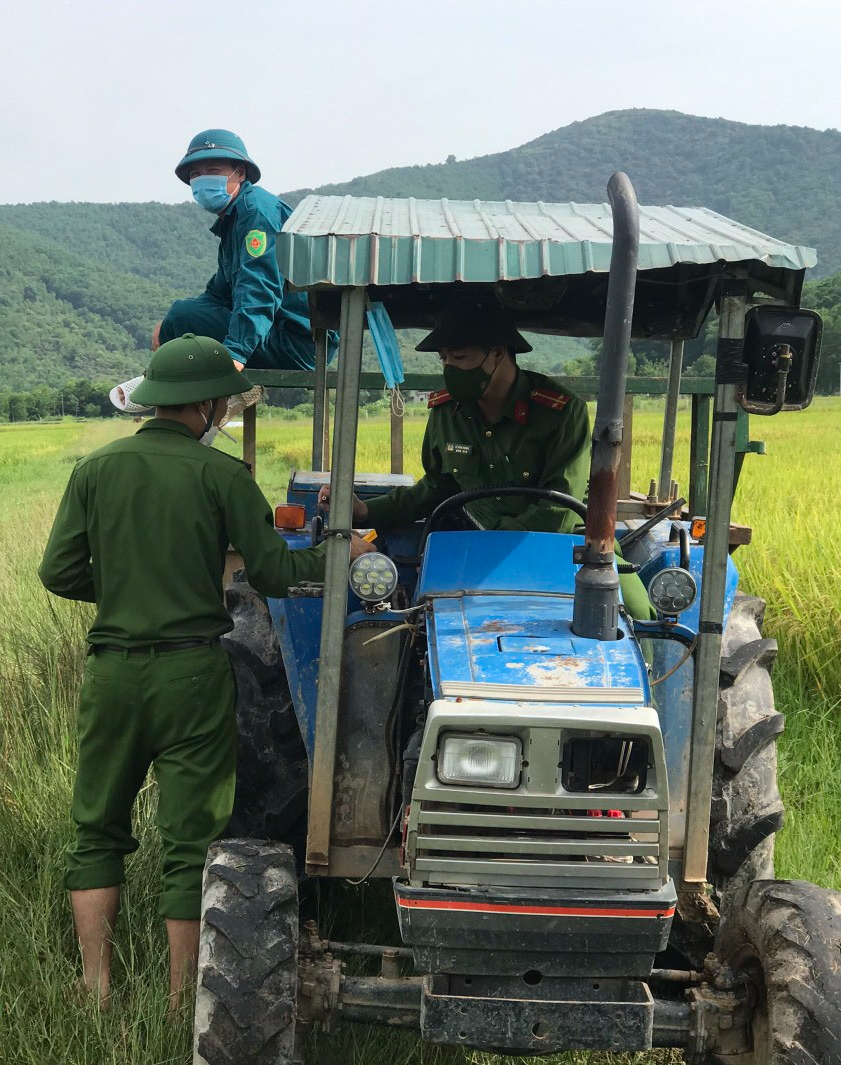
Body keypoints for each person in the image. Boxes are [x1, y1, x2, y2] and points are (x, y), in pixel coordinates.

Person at [39, 334, 366, 1011]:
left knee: (96, 827)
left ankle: (94, 984)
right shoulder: (223, 477)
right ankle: (179, 996)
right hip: (191, 673)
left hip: (113, 674)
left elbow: (59, 572)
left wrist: (133, 591)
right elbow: (274, 572)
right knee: (191, 838)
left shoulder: (94, 470)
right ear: (208, 405)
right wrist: (344, 554)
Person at [320, 297, 652, 619]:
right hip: (471, 543)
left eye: (460, 357)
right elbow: (436, 488)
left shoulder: (561, 412)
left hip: (561, 545)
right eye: (444, 359)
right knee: (406, 614)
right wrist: (365, 510)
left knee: (636, 612)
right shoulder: (445, 413)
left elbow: (558, 510)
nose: (449, 367)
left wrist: (493, 545)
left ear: (498, 353)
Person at [154, 128, 338, 373]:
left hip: (299, 343)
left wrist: (236, 353)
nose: (202, 179)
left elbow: (259, 288)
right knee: (180, 315)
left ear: (240, 173)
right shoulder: (234, 220)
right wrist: (166, 324)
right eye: (196, 174)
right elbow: (218, 294)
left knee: (182, 316)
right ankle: (200, 400)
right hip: (278, 334)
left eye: (213, 171)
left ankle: (191, 402)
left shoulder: (256, 214)